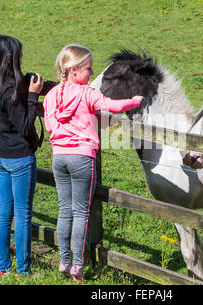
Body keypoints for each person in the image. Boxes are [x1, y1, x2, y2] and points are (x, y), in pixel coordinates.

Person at [43, 44, 143, 283]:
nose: (91, 72)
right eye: (88, 68)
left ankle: (64, 260)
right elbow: (113, 106)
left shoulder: (51, 96)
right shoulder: (87, 94)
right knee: (81, 212)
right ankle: (78, 264)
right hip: (81, 158)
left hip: (59, 157)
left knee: (64, 210)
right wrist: (135, 101)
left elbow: (49, 126)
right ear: (74, 70)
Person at [0, 35, 45, 277]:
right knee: (23, 215)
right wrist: (33, 96)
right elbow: (26, 126)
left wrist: (25, 83)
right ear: (9, 58)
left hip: (2, 155)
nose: (21, 59)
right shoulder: (10, 92)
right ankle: (24, 271)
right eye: (19, 55)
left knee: (5, 211)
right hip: (20, 159)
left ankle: (3, 267)